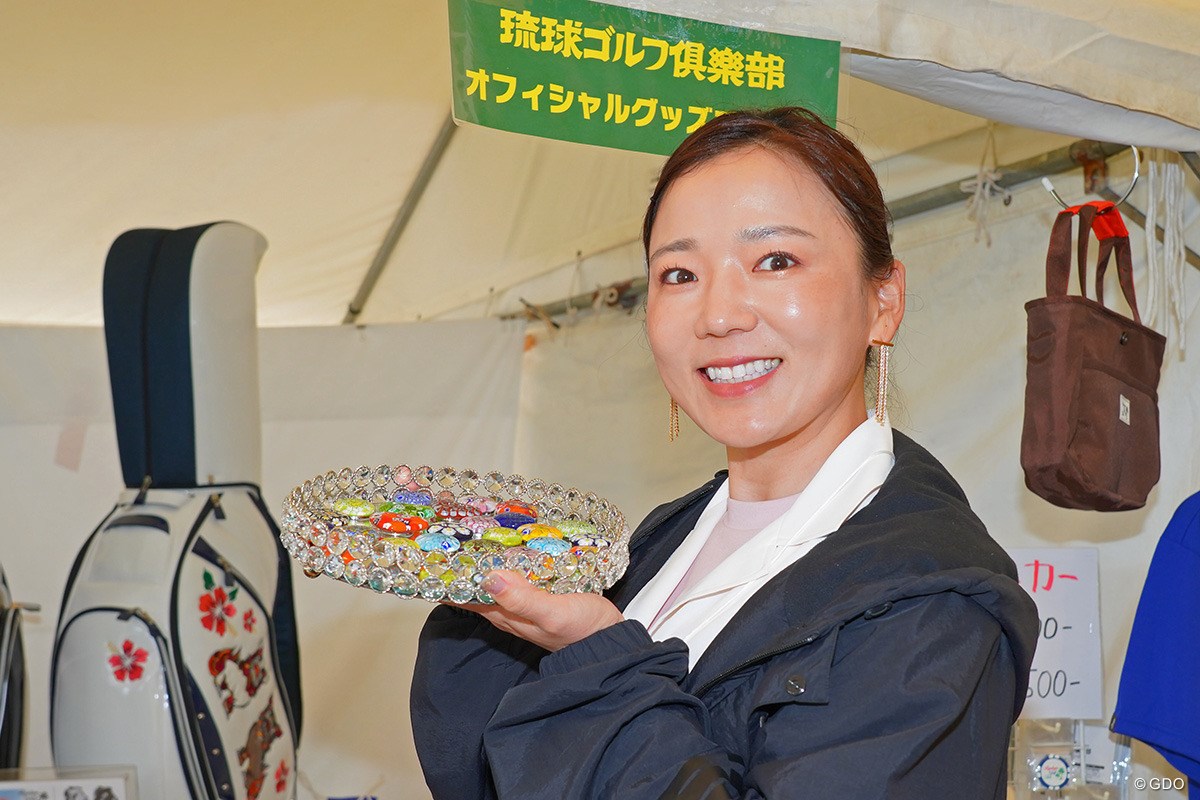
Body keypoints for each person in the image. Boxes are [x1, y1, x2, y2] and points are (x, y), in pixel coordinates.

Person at [410, 106, 1039, 799]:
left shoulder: (934, 605)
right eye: (680, 274)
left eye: (776, 261)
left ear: (883, 301)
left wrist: (597, 660)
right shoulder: (655, 543)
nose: (718, 315)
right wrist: (488, 598)